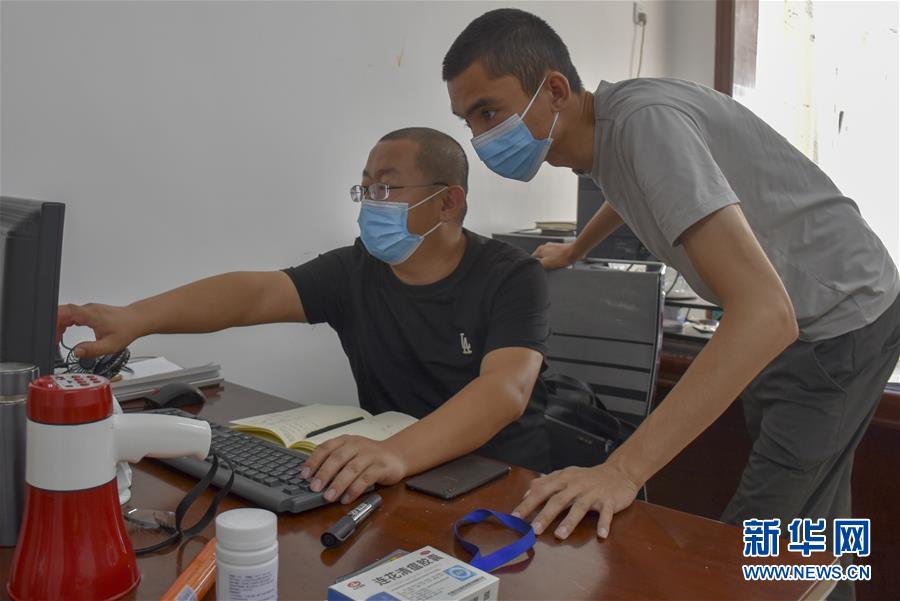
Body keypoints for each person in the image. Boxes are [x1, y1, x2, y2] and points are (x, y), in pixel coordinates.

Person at [442, 8, 899, 593]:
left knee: (749, 549)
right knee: (818, 521)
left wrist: (621, 470)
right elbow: (632, 189)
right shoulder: (612, 129)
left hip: (840, 317)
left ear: (553, 89)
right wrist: (578, 247)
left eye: (488, 113)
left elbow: (766, 315)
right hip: (806, 312)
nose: (481, 138)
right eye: (468, 122)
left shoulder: (644, 124)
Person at [56, 126, 552, 507]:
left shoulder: (512, 276)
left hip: (502, 481)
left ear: (447, 202)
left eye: (385, 189)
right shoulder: (356, 270)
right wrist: (136, 317)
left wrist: (398, 452)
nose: (370, 204)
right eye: (364, 189)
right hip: (392, 480)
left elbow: (504, 391)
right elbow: (253, 295)